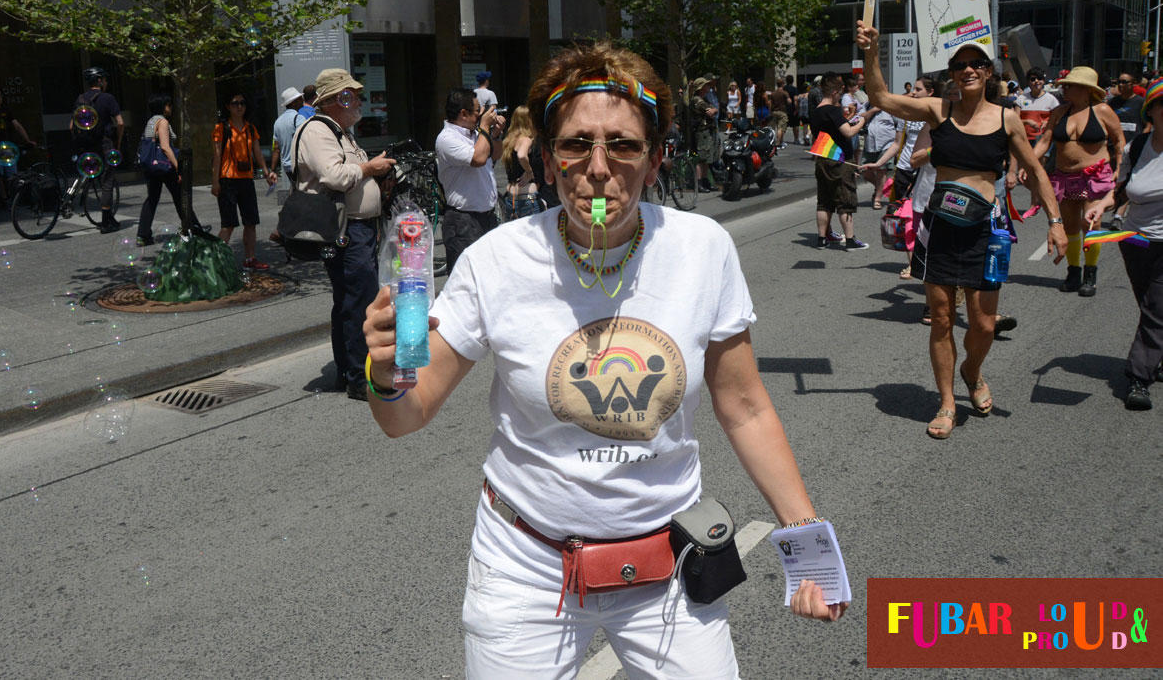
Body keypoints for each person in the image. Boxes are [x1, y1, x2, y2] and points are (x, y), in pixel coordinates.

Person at [362, 42, 845, 678]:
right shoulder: (497, 260)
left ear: (653, 157)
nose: (596, 168)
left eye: (622, 145)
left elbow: (746, 406)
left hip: (667, 570)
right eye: (574, 144)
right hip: (525, 572)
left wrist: (806, 542)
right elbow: (405, 416)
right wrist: (385, 370)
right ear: (546, 155)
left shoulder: (701, 249)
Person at [857, 21, 1065, 439]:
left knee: (984, 325)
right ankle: (948, 402)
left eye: (975, 64)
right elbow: (880, 97)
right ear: (951, 73)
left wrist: (1056, 222)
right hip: (940, 228)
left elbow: (1035, 169)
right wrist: (871, 50)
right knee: (940, 318)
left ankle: (973, 370)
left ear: (988, 72)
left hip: (985, 230)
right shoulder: (939, 110)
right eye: (959, 65)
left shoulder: (1008, 119)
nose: (967, 70)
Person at [296, 68, 395, 400]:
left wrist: (377, 174)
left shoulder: (341, 131)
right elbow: (335, 177)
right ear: (330, 101)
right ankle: (357, 376)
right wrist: (371, 168)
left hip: (359, 228)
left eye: (356, 94)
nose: (358, 101)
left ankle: (348, 370)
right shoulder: (318, 130)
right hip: (345, 229)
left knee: (351, 300)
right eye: (349, 95)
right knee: (357, 302)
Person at [1087, 76, 1163, 410]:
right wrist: (1100, 206)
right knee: (1150, 304)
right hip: (1135, 239)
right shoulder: (1138, 147)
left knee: (1157, 308)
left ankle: (1138, 378)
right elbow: (1121, 189)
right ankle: (1155, 355)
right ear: (1152, 111)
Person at [1027, 67, 1125, 297]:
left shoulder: (1102, 111)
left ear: (1086, 89)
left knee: (1090, 224)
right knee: (1069, 226)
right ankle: (1073, 272)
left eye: (1069, 85)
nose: (1064, 88)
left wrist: (1120, 167)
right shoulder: (1060, 112)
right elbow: (1045, 141)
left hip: (1095, 176)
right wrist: (1027, 162)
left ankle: (1090, 273)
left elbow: (1119, 140)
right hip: (1065, 177)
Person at [437, 87, 505, 274]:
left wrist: (496, 135)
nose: (481, 114)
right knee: (466, 278)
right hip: (463, 221)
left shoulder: (475, 134)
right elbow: (478, 159)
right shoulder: (446, 139)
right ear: (463, 114)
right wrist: (484, 127)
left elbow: (495, 155)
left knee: (489, 275)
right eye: (477, 111)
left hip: (487, 216)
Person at [211, 92, 278, 270]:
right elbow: (217, 157)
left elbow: (257, 153)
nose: (239, 106)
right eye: (235, 103)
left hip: (246, 179)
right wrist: (215, 181)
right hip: (227, 180)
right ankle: (214, 262)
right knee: (228, 224)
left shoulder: (250, 128)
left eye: (242, 103)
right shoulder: (222, 128)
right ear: (228, 106)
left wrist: (266, 172)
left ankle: (250, 259)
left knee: (251, 222)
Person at [810, 71, 868, 250]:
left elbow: (830, 130)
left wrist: (849, 118)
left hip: (823, 158)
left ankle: (822, 239)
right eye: (840, 93)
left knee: (824, 201)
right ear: (834, 92)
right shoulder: (832, 110)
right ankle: (850, 240)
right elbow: (848, 133)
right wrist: (861, 122)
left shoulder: (816, 111)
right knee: (845, 199)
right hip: (840, 160)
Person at [136, 94, 197, 246]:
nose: (171, 108)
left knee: (152, 199)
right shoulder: (162, 121)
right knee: (179, 196)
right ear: (163, 107)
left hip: (152, 167)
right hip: (164, 166)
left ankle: (142, 235)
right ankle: (194, 228)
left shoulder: (150, 121)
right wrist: (178, 167)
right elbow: (165, 147)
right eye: (168, 105)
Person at [74, 67, 125, 233]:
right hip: (105, 144)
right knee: (107, 182)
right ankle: (105, 222)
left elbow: (71, 125)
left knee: (95, 177)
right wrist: (118, 142)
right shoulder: (108, 98)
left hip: (89, 146)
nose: (106, 82)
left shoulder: (80, 99)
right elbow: (121, 122)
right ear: (99, 81)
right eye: (105, 79)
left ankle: (110, 218)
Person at [1107, 71, 1145, 228]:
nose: (1121, 85)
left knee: (1127, 182)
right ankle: (1116, 209)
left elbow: (1148, 125)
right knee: (1113, 183)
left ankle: (1118, 215)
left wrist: (1142, 142)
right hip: (1113, 148)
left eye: (1124, 82)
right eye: (1118, 82)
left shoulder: (1140, 103)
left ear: (1133, 84)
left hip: (1133, 149)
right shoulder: (1112, 103)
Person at [500, 106, 547, 220]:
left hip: (511, 198)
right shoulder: (526, 139)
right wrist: (529, 171)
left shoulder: (509, 141)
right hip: (528, 198)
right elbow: (521, 155)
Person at [688, 77, 720, 193]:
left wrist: (714, 110)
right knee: (702, 158)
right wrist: (714, 110)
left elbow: (714, 109)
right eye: (706, 85)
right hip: (702, 131)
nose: (708, 87)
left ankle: (705, 181)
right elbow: (711, 111)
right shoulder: (697, 100)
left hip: (708, 131)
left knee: (707, 158)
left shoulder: (704, 99)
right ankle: (699, 182)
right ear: (701, 87)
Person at [271, 86, 308, 179]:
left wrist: (272, 170)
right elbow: (305, 141)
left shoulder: (277, 122)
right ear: (294, 102)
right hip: (300, 165)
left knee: (295, 189)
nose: (302, 100)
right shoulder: (299, 118)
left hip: (287, 167)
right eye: (299, 99)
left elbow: (276, 148)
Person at [770, 79, 790, 148]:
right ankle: (778, 143)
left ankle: (781, 142)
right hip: (782, 112)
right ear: (782, 84)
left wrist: (771, 111)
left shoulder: (773, 93)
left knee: (779, 127)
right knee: (780, 128)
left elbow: (770, 103)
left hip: (775, 112)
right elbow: (789, 101)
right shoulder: (784, 93)